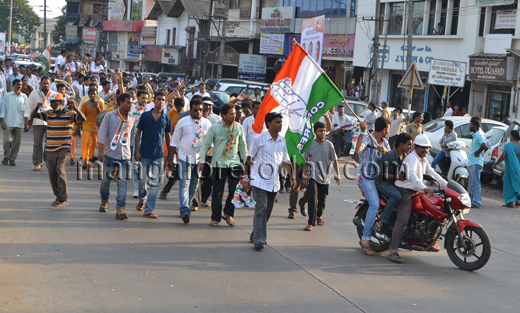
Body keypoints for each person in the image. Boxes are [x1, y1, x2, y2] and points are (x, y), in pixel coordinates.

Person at [389, 135, 448, 263]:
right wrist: (424, 187)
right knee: (403, 220)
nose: (425, 150)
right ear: (416, 147)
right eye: (423, 147)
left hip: (416, 192)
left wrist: (447, 185)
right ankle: (393, 250)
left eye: (427, 148)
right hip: (405, 192)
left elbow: (432, 173)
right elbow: (411, 175)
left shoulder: (423, 159)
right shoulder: (412, 158)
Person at [244, 113, 295, 250]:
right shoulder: (258, 139)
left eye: (281, 122)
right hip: (258, 181)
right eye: (277, 122)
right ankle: (259, 240)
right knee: (261, 208)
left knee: (267, 212)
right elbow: (249, 160)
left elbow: (286, 160)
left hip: (274, 183)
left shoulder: (282, 141)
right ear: (268, 124)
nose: (280, 124)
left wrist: (292, 176)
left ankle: (256, 234)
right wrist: (245, 178)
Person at [198, 103, 247, 227]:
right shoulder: (215, 127)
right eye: (231, 114)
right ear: (223, 115)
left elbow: (242, 145)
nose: (234, 116)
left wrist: (246, 162)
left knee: (234, 189)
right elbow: (206, 144)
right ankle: (215, 217)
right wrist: (202, 160)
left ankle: (228, 213)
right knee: (218, 191)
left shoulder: (238, 127)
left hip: (234, 162)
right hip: (218, 163)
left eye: (235, 113)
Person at [32, 94, 86, 207]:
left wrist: (75, 107)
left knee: (60, 169)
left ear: (61, 102)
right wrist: (37, 107)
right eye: (51, 102)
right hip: (50, 148)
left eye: (55, 102)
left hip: (64, 147)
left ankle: (62, 198)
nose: (52, 104)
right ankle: (58, 196)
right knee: (52, 173)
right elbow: (33, 116)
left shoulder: (70, 113)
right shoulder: (48, 113)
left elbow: (83, 119)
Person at [168, 98, 211, 223]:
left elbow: (210, 144)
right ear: (190, 109)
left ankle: (184, 208)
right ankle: (185, 209)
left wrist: (203, 158)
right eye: (195, 109)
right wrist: (171, 159)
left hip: (198, 160)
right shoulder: (183, 122)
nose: (198, 112)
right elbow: (174, 141)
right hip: (183, 158)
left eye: (201, 110)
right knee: (184, 185)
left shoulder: (207, 123)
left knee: (194, 186)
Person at [97, 93, 137, 219]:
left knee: (122, 182)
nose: (131, 105)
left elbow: (131, 138)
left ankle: (120, 208)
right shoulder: (109, 116)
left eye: (131, 102)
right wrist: (100, 151)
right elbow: (102, 133)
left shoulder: (132, 119)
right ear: (120, 103)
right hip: (110, 154)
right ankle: (104, 200)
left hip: (125, 156)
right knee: (106, 181)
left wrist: (131, 153)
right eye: (128, 102)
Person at [355, 117, 390, 256]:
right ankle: (365, 240)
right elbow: (357, 150)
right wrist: (362, 131)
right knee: (374, 204)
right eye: (388, 128)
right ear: (384, 129)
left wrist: (385, 151)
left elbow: (391, 156)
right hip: (366, 178)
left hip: (379, 179)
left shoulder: (385, 142)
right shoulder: (367, 138)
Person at [134, 91, 172, 218]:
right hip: (144, 152)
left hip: (159, 154)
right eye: (158, 99)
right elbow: (138, 133)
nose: (161, 102)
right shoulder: (145, 116)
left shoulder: (166, 118)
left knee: (155, 184)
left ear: (165, 102)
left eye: (163, 100)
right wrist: (136, 151)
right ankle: (142, 200)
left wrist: (170, 155)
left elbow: (167, 136)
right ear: (154, 101)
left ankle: (149, 210)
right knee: (142, 182)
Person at [301, 122, 341, 231]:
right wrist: (305, 175)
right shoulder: (311, 144)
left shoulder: (329, 145)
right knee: (312, 199)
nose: (323, 133)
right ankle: (311, 223)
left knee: (322, 200)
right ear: (315, 132)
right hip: (313, 175)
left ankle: (319, 216)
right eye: (320, 130)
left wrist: (338, 174)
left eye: (324, 130)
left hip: (325, 177)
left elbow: (335, 160)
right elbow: (305, 160)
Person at [374, 133, 413, 237]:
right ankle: (382, 221)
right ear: (401, 144)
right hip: (383, 183)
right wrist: (396, 176)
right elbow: (381, 174)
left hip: (394, 184)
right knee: (396, 195)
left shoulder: (405, 156)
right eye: (409, 144)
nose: (410, 147)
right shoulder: (389, 155)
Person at [24, 76, 52, 171]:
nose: (46, 85)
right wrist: (27, 119)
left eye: (47, 83)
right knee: (37, 143)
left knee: (49, 143)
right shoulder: (34, 93)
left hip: (50, 122)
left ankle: (48, 160)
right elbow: (29, 106)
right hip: (37, 121)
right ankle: (37, 163)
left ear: (50, 84)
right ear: (40, 84)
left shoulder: (53, 94)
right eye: (44, 83)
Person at [0, 79, 28, 166]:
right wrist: (2, 121)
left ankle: (13, 158)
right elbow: (3, 109)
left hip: (20, 123)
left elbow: (26, 111)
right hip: (8, 122)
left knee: (17, 142)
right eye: (17, 84)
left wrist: (26, 121)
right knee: (7, 140)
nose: (19, 86)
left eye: (20, 84)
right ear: (13, 85)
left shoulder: (24, 97)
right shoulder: (7, 96)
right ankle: (6, 156)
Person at [492, 130, 520, 207]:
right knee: (517, 183)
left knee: (508, 183)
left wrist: (495, 164)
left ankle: (511, 202)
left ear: (512, 136)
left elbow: (503, 156)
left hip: (510, 168)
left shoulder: (508, 145)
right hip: (519, 169)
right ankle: (518, 200)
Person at [130, 90, 149, 198]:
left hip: (146, 140)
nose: (145, 100)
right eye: (143, 98)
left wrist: (175, 91)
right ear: (137, 98)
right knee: (134, 166)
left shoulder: (150, 108)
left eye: (146, 98)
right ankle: (137, 190)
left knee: (144, 166)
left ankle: (144, 186)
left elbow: (164, 101)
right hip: (134, 140)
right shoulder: (132, 108)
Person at [80, 88, 105, 169]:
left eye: (94, 94)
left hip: (96, 127)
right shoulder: (85, 104)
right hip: (86, 126)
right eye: (91, 94)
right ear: (89, 95)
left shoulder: (101, 103)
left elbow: (102, 115)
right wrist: (78, 128)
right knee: (85, 144)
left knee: (93, 145)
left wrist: (97, 107)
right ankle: (85, 161)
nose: (92, 95)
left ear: (97, 95)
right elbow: (82, 116)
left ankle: (89, 159)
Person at [467, 118, 487, 209]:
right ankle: (473, 200)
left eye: (471, 125)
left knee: (476, 182)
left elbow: (484, 145)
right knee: (472, 182)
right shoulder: (476, 135)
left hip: (476, 162)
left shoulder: (479, 135)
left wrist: (478, 152)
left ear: (475, 126)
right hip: (473, 161)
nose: (469, 127)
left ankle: (476, 201)